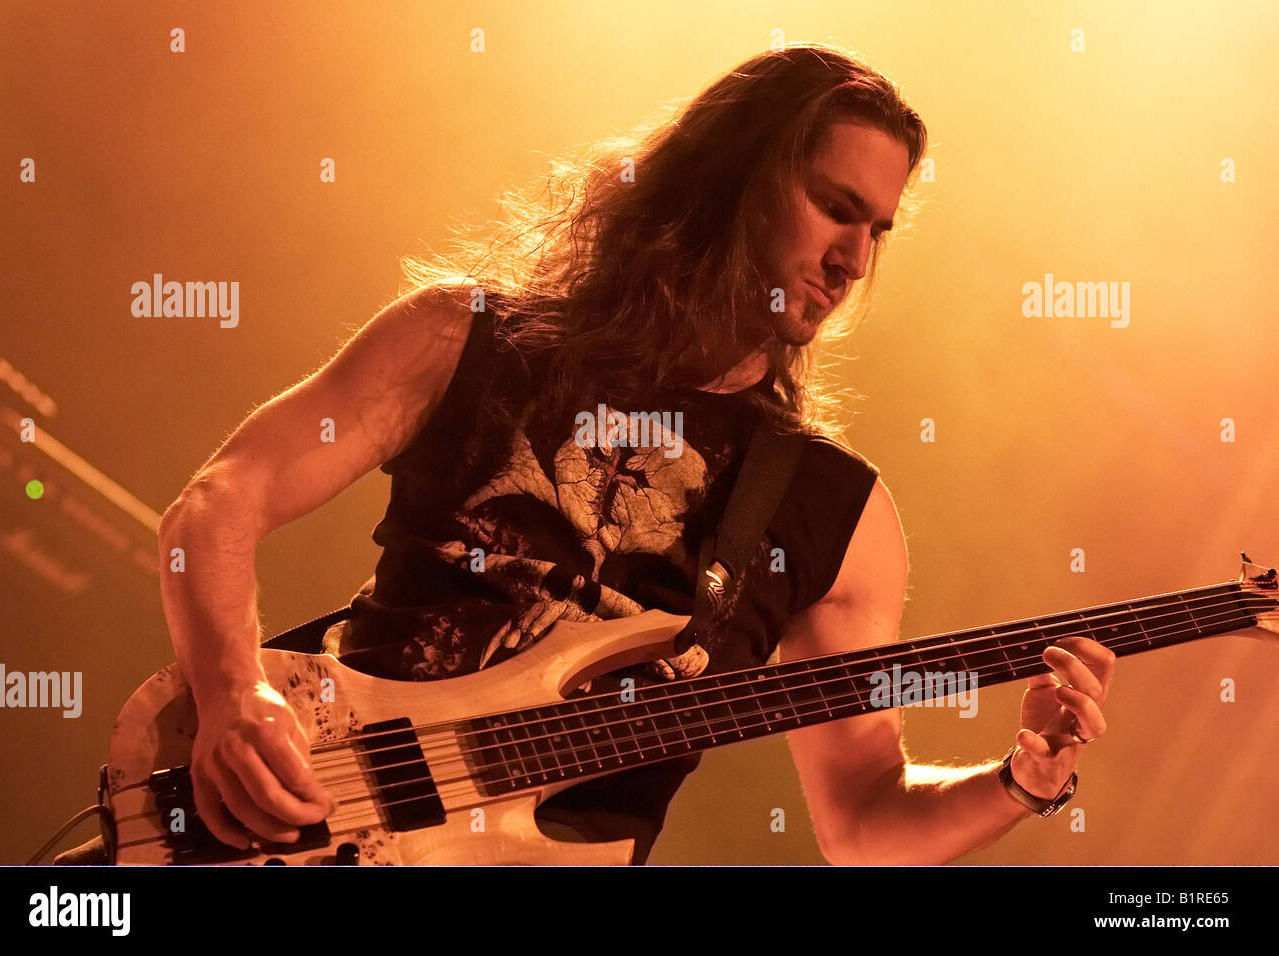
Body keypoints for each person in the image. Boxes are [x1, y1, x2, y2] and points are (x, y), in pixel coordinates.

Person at [154, 43, 1115, 866]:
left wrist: (1022, 781)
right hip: (298, 826)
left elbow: (863, 821)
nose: (855, 261)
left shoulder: (834, 513)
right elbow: (220, 501)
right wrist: (233, 696)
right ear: (732, 176)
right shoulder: (469, 343)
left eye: (877, 231)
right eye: (834, 206)